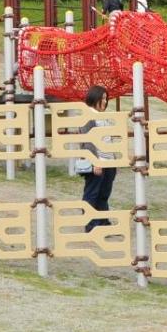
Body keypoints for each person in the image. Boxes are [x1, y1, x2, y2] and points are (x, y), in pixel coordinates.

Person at [74, 85, 117, 229]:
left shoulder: (102, 116)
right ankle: (90, 224)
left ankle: (103, 222)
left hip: (108, 162)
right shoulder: (88, 115)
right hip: (97, 162)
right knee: (92, 194)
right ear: (94, 98)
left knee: (103, 194)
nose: (105, 102)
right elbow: (89, 142)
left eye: (106, 99)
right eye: (102, 98)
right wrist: (95, 162)